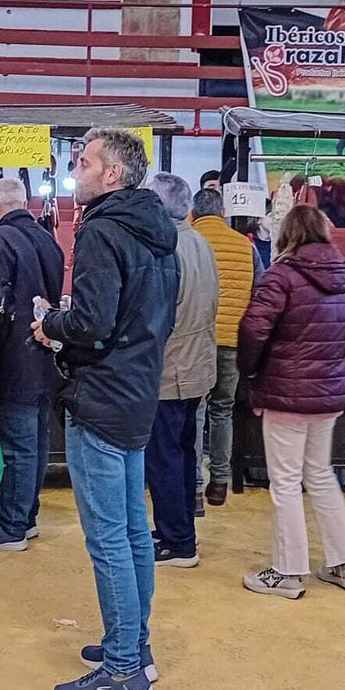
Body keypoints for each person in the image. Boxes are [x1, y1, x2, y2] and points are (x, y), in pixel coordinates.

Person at [34, 128, 176, 690]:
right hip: (138, 389)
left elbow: (92, 322)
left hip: (102, 395)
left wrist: (51, 328)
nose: (76, 168)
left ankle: (123, 673)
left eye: (84, 160)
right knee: (133, 531)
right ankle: (133, 647)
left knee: (110, 537)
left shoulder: (100, 230)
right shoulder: (160, 232)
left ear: (111, 175)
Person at [236, 205, 345, 601]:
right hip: (329, 394)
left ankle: (288, 572)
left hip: (285, 393)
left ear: (287, 234)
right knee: (321, 476)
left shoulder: (281, 275)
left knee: (286, 483)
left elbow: (253, 329)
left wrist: (250, 370)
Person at [0, 176, 65, 554]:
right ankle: (25, 513)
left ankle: (11, 525)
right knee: (36, 440)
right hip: (45, 352)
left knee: (19, 446)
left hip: (12, 357)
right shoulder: (48, 241)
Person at [143, 172, 217, 568]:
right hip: (197, 366)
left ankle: (177, 542)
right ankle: (179, 529)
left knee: (165, 458)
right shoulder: (199, 242)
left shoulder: (166, 248)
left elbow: (158, 316)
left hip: (170, 369)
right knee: (184, 455)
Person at [190, 187, 257, 509]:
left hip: (195, 341)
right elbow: (259, 294)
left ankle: (194, 489)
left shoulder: (187, 241)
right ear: (223, 212)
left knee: (195, 412)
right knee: (222, 411)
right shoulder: (245, 247)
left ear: (194, 212)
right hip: (232, 342)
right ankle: (220, 483)